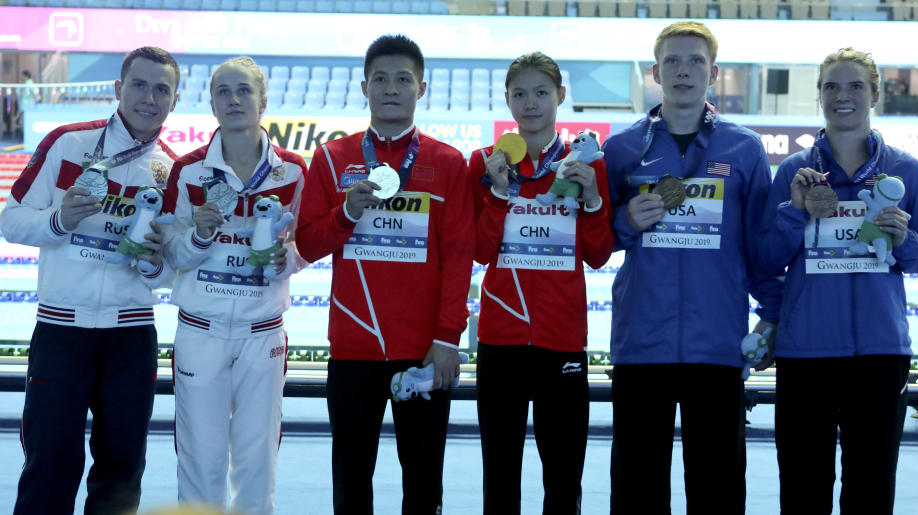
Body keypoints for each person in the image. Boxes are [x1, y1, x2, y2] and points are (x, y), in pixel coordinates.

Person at [602, 21, 782, 513]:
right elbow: (595, 241)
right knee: (637, 489)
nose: (684, 70)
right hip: (642, 344)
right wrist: (624, 221)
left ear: (714, 73)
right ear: (655, 72)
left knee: (717, 488)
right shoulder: (621, 149)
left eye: (696, 61)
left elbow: (759, 245)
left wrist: (772, 313)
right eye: (673, 62)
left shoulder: (743, 149)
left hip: (717, 346)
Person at [757, 48, 918, 514]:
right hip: (807, 353)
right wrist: (793, 213)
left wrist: (903, 241)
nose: (843, 96)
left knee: (871, 487)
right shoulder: (793, 172)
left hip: (880, 353)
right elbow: (765, 258)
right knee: (804, 488)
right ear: (819, 96)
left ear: (875, 94)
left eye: (855, 86)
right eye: (831, 87)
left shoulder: (907, 171)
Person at [295, 34, 474, 514]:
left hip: (423, 351)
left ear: (422, 89)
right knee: (351, 484)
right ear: (364, 87)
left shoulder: (448, 162)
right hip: (353, 348)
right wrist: (345, 214)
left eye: (403, 79)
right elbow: (309, 245)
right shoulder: (332, 159)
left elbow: (458, 257)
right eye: (381, 79)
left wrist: (446, 338)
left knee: (423, 484)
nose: (391, 88)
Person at [0, 46, 180, 514]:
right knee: (50, 463)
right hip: (62, 331)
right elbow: (11, 220)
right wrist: (58, 221)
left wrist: (151, 263)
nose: (149, 98)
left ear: (174, 100)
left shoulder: (173, 171)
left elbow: (169, 274)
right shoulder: (68, 142)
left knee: (121, 469)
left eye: (162, 89)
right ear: (119, 90)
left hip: (131, 335)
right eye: (139, 85)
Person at [159, 56, 307, 515]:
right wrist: (199, 236)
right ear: (212, 103)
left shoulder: (294, 171)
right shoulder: (187, 171)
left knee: (256, 460)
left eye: (243, 90)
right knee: (200, 459)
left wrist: (290, 259)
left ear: (262, 100)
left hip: (262, 333)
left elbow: (306, 245)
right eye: (223, 91)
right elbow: (171, 254)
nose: (234, 99)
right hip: (200, 330)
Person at [467, 51, 613, 515]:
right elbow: (480, 252)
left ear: (561, 97)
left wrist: (591, 197)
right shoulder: (485, 163)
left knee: (564, 479)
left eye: (541, 92)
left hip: (562, 340)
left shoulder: (584, 164)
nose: (530, 103)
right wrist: (494, 192)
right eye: (520, 94)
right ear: (507, 100)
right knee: (500, 476)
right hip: (501, 339)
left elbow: (598, 255)